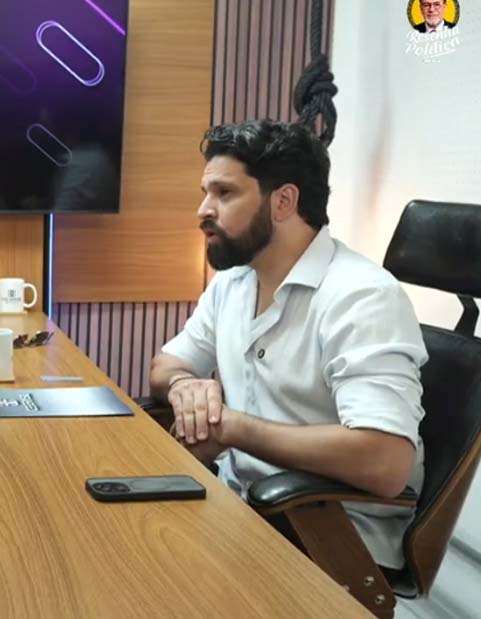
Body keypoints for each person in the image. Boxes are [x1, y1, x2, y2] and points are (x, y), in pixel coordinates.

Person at [148, 119, 427, 571]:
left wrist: (233, 428)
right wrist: (185, 386)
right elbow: (165, 365)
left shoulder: (363, 298)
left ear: (283, 201)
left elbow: (385, 461)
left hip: (331, 537)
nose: (203, 210)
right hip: (241, 506)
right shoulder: (234, 282)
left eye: (224, 193)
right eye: (206, 192)